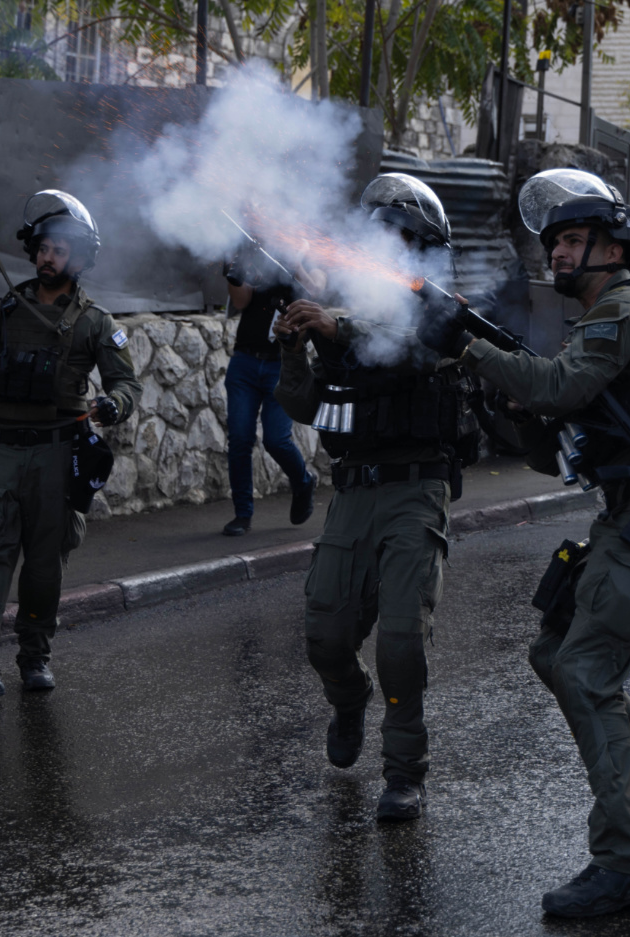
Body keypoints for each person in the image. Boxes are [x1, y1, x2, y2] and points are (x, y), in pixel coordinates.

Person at [434, 169, 630, 918]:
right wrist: (511, 393)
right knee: (556, 651)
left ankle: (627, 865)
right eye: (555, 242)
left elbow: (559, 388)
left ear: (615, 247)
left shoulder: (628, 306)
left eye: (572, 240)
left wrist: (469, 347)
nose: (558, 253)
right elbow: (554, 440)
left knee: (584, 668)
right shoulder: (611, 315)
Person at [273, 172, 479, 823]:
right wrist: (295, 347)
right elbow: (304, 405)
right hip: (354, 490)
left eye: (400, 239)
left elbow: (412, 352)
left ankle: (404, 771)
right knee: (325, 635)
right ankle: (348, 699)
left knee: (401, 639)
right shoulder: (343, 311)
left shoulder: (443, 311)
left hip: (418, 487)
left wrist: (334, 324)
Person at [0, 190, 141, 706]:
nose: (48, 258)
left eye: (59, 250)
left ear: (78, 258)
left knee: (44, 565)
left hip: (58, 453)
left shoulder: (95, 321)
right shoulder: (5, 308)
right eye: (43, 248)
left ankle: (34, 655)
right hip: (4, 451)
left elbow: (127, 383)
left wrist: (114, 405)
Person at [218, 249, 320, 536]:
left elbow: (316, 290)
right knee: (239, 439)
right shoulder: (256, 252)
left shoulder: (307, 253)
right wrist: (234, 275)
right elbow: (241, 301)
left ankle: (303, 482)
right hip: (246, 361)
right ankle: (243, 514)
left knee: (276, 439)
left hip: (281, 364)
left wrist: (296, 264)